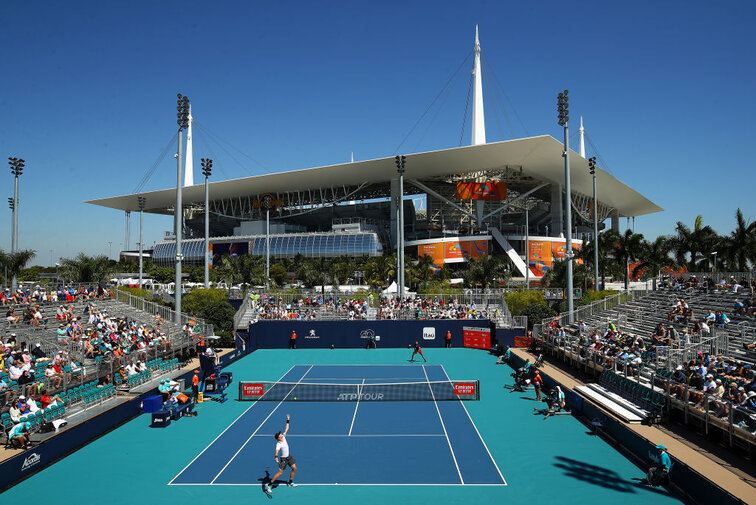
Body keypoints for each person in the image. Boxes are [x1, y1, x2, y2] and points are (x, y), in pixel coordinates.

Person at [265, 414, 297, 493]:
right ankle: (269, 485)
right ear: (278, 438)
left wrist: (288, 420)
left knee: (294, 468)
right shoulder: (278, 444)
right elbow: (277, 451)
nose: (281, 434)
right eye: (280, 434)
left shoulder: (284, 437)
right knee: (280, 473)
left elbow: (286, 428)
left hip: (289, 457)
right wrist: (276, 457)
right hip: (283, 459)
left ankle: (290, 483)